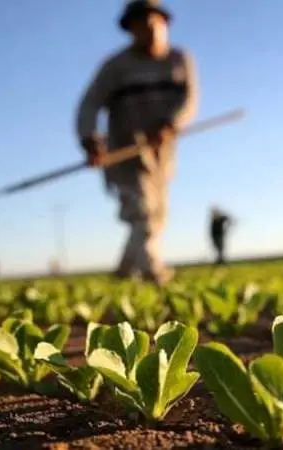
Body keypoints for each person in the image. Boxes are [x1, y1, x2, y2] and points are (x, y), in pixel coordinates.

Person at [75, 0, 199, 285]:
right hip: (125, 153)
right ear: (131, 30)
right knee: (142, 212)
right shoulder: (115, 67)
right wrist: (89, 139)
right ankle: (154, 273)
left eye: (155, 23)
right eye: (141, 25)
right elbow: (89, 105)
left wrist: (171, 125)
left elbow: (189, 100)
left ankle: (123, 272)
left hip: (161, 155)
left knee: (157, 216)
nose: (149, 30)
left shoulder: (180, 60)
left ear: (165, 24)